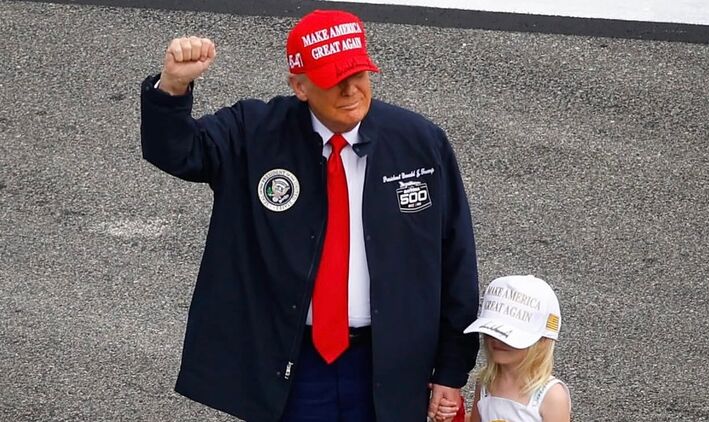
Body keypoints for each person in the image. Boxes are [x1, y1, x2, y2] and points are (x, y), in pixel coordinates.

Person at [139, 9, 479, 422]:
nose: (351, 90)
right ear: (299, 86)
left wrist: (451, 370)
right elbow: (177, 151)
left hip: (391, 363)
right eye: (335, 79)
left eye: (359, 74)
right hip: (293, 360)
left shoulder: (420, 143)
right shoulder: (253, 132)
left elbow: (456, 256)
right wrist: (172, 88)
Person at [463, 275, 571, 422]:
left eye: (508, 336)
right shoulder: (485, 382)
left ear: (543, 341)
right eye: (491, 332)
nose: (497, 339)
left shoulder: (552, 396)